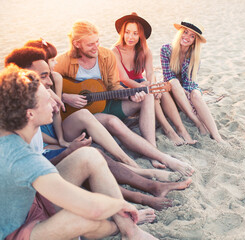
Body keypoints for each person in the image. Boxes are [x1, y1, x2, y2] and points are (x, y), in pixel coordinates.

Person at [4, 46, 193, 211]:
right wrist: (66, 147)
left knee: (99, 139)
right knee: (91, 156)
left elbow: (54, 118)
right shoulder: (15, 112)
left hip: (53, 141)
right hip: (42, 168)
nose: (50, 80)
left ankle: (146, 171)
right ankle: (141, 185)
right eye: (44, 75)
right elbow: (35, 160)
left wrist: (63, 137)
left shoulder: (47, 86)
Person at [0, 65, 158, 240]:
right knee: (78, 217)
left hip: (30, 203)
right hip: (15, 233)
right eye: (48, 100)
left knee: (89, 155)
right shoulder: (21, 157)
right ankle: (120, 227)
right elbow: (92, 208)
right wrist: (120, 205)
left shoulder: (10, 129)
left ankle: (130, 231)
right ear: (29, 114)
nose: (55, 103)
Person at [55, 20, 194, 176]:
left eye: (97, 42)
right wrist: (65, 96)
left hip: (107, 103)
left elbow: (114, 87)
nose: (96, 48)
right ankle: (152, 157)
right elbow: (44, 88)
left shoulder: (105, 55)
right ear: (77, 44)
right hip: (84, 115)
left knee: (147, 95)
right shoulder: (63, 61)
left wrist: (130, 95)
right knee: (113, 122)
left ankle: (151, 149)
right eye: (90, 45)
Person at [112, 12, 196, 146]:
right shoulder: (115, 51)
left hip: (142, 84)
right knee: (151, 91)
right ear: (122, 32)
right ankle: (169, 130)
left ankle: (181, 130)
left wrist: (151, 84)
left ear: (141, 35)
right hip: (125, 90)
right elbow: (125, 79)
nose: (130, 37)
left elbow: (150, 73)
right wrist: (147, 87)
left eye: (135, 33)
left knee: (160, 90)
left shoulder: (145, 50)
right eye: (127, 32)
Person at [160, 19, 224, 142]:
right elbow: (168, 76)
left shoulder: (194, 57)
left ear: (195, 40)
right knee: (174, 82)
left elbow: (190, 83)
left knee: (196, 96)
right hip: (171, 89)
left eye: (192, 36)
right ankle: (198, 122)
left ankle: (217, 136)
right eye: (185, 32)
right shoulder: (166, 50)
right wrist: (181, 89)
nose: (187, 37)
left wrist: (188, 94)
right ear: (180, 33)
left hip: (187, 89)